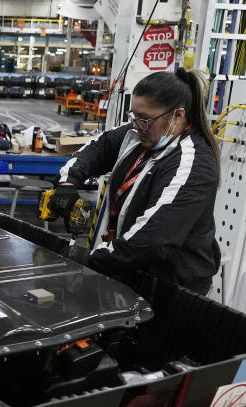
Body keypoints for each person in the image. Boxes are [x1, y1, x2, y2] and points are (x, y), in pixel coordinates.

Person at [55, 68, 221, 294]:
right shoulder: (138, 137)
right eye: (134, 116)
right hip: (129, 272)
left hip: (173, 289)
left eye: (145, 119)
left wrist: (92, 259)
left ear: (178, 116)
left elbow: (152, 239)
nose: (136, 126)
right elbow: (97, 148)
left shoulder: (192, 165)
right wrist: (67, 184)